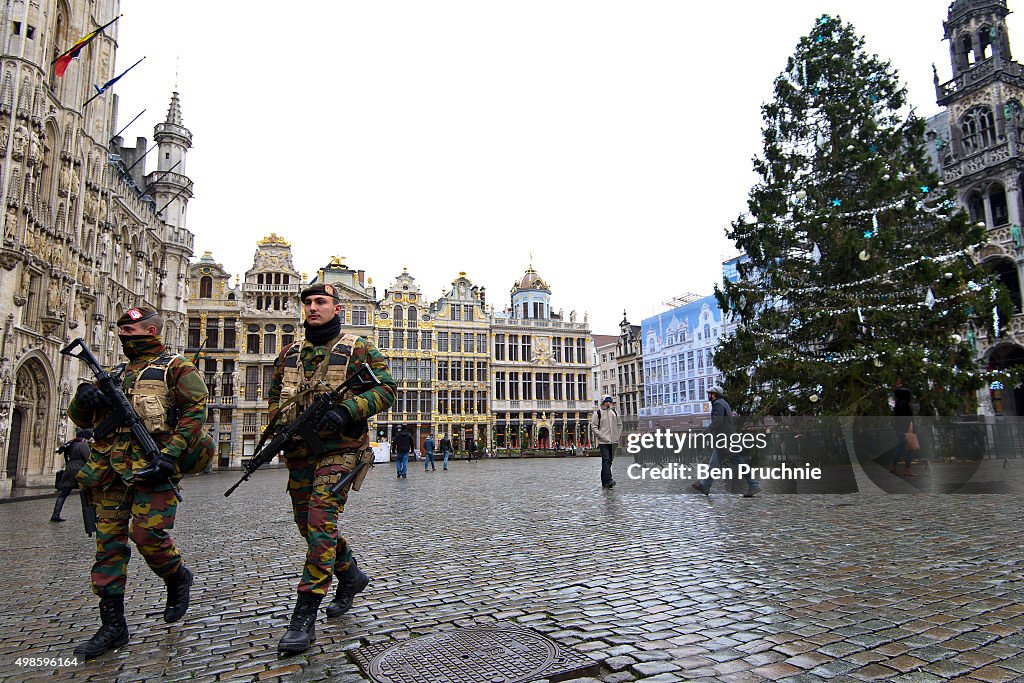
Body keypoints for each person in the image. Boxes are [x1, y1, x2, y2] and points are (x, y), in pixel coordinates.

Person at [67, 306, 208, 660]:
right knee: (108, 547)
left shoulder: (176, 368)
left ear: (152, 330)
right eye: (122, 330)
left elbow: (195, 412)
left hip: (152, 469)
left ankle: (176, 576)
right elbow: (83, 418)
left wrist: (170, 455)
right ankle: (113, 626)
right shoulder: (112, 374)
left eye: (132, 330)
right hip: (110, 472)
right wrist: (82, 403)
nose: (124, 334)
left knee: (148, 535)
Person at [267, 283, 396, 654]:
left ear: (337, 309)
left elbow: (387, 389)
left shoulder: (357, 348)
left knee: (321, 521)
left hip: (342, 450)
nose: (312, 307)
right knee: (308, 526)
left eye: (320, 302)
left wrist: (347, 410)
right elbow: (276, 397)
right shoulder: (290, 353)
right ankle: (351, 575)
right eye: (307, 302)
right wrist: (280, 428)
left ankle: (304, 614)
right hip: (301, 452)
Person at [692, 385, 760, 498]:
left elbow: (717, 422)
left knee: (726, 463)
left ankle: (754, 484)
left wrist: (704, 432)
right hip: (726, 440)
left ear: (714, 395)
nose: (708, 395)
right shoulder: (724, 403)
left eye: (710, 393)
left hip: (724, 441)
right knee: (716, 463)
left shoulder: (718, 404)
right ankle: (705, 485)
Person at [50, 428, 90, 522]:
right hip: (80, 470)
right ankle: (90, 515)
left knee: (64, 493)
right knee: (87, 493)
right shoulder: (83, 445)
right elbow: (88, 458)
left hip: (70, 469)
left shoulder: (72, 443)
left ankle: (55, 514)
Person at [590, 395, 622, 489]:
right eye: (607, 401)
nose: (608, 403)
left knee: (609, 462)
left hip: (614, 441)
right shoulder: (598, 413)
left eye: (610, 402)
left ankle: (605, 481)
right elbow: (594, 426)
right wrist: (601, 436)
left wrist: (617, 435)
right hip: (603, 442)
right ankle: (609, 480)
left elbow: (620, 425)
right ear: (603, 402)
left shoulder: (614, 412)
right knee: (606, 459)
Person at [890, 382, 915, 476]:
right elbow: (908, 418)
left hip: (898, 429)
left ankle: (893, 466)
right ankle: (907, 470)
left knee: (899, 448)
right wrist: (911, 428)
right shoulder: (905, 405)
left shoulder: (897, 405)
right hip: (906, 429)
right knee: (909, 449)